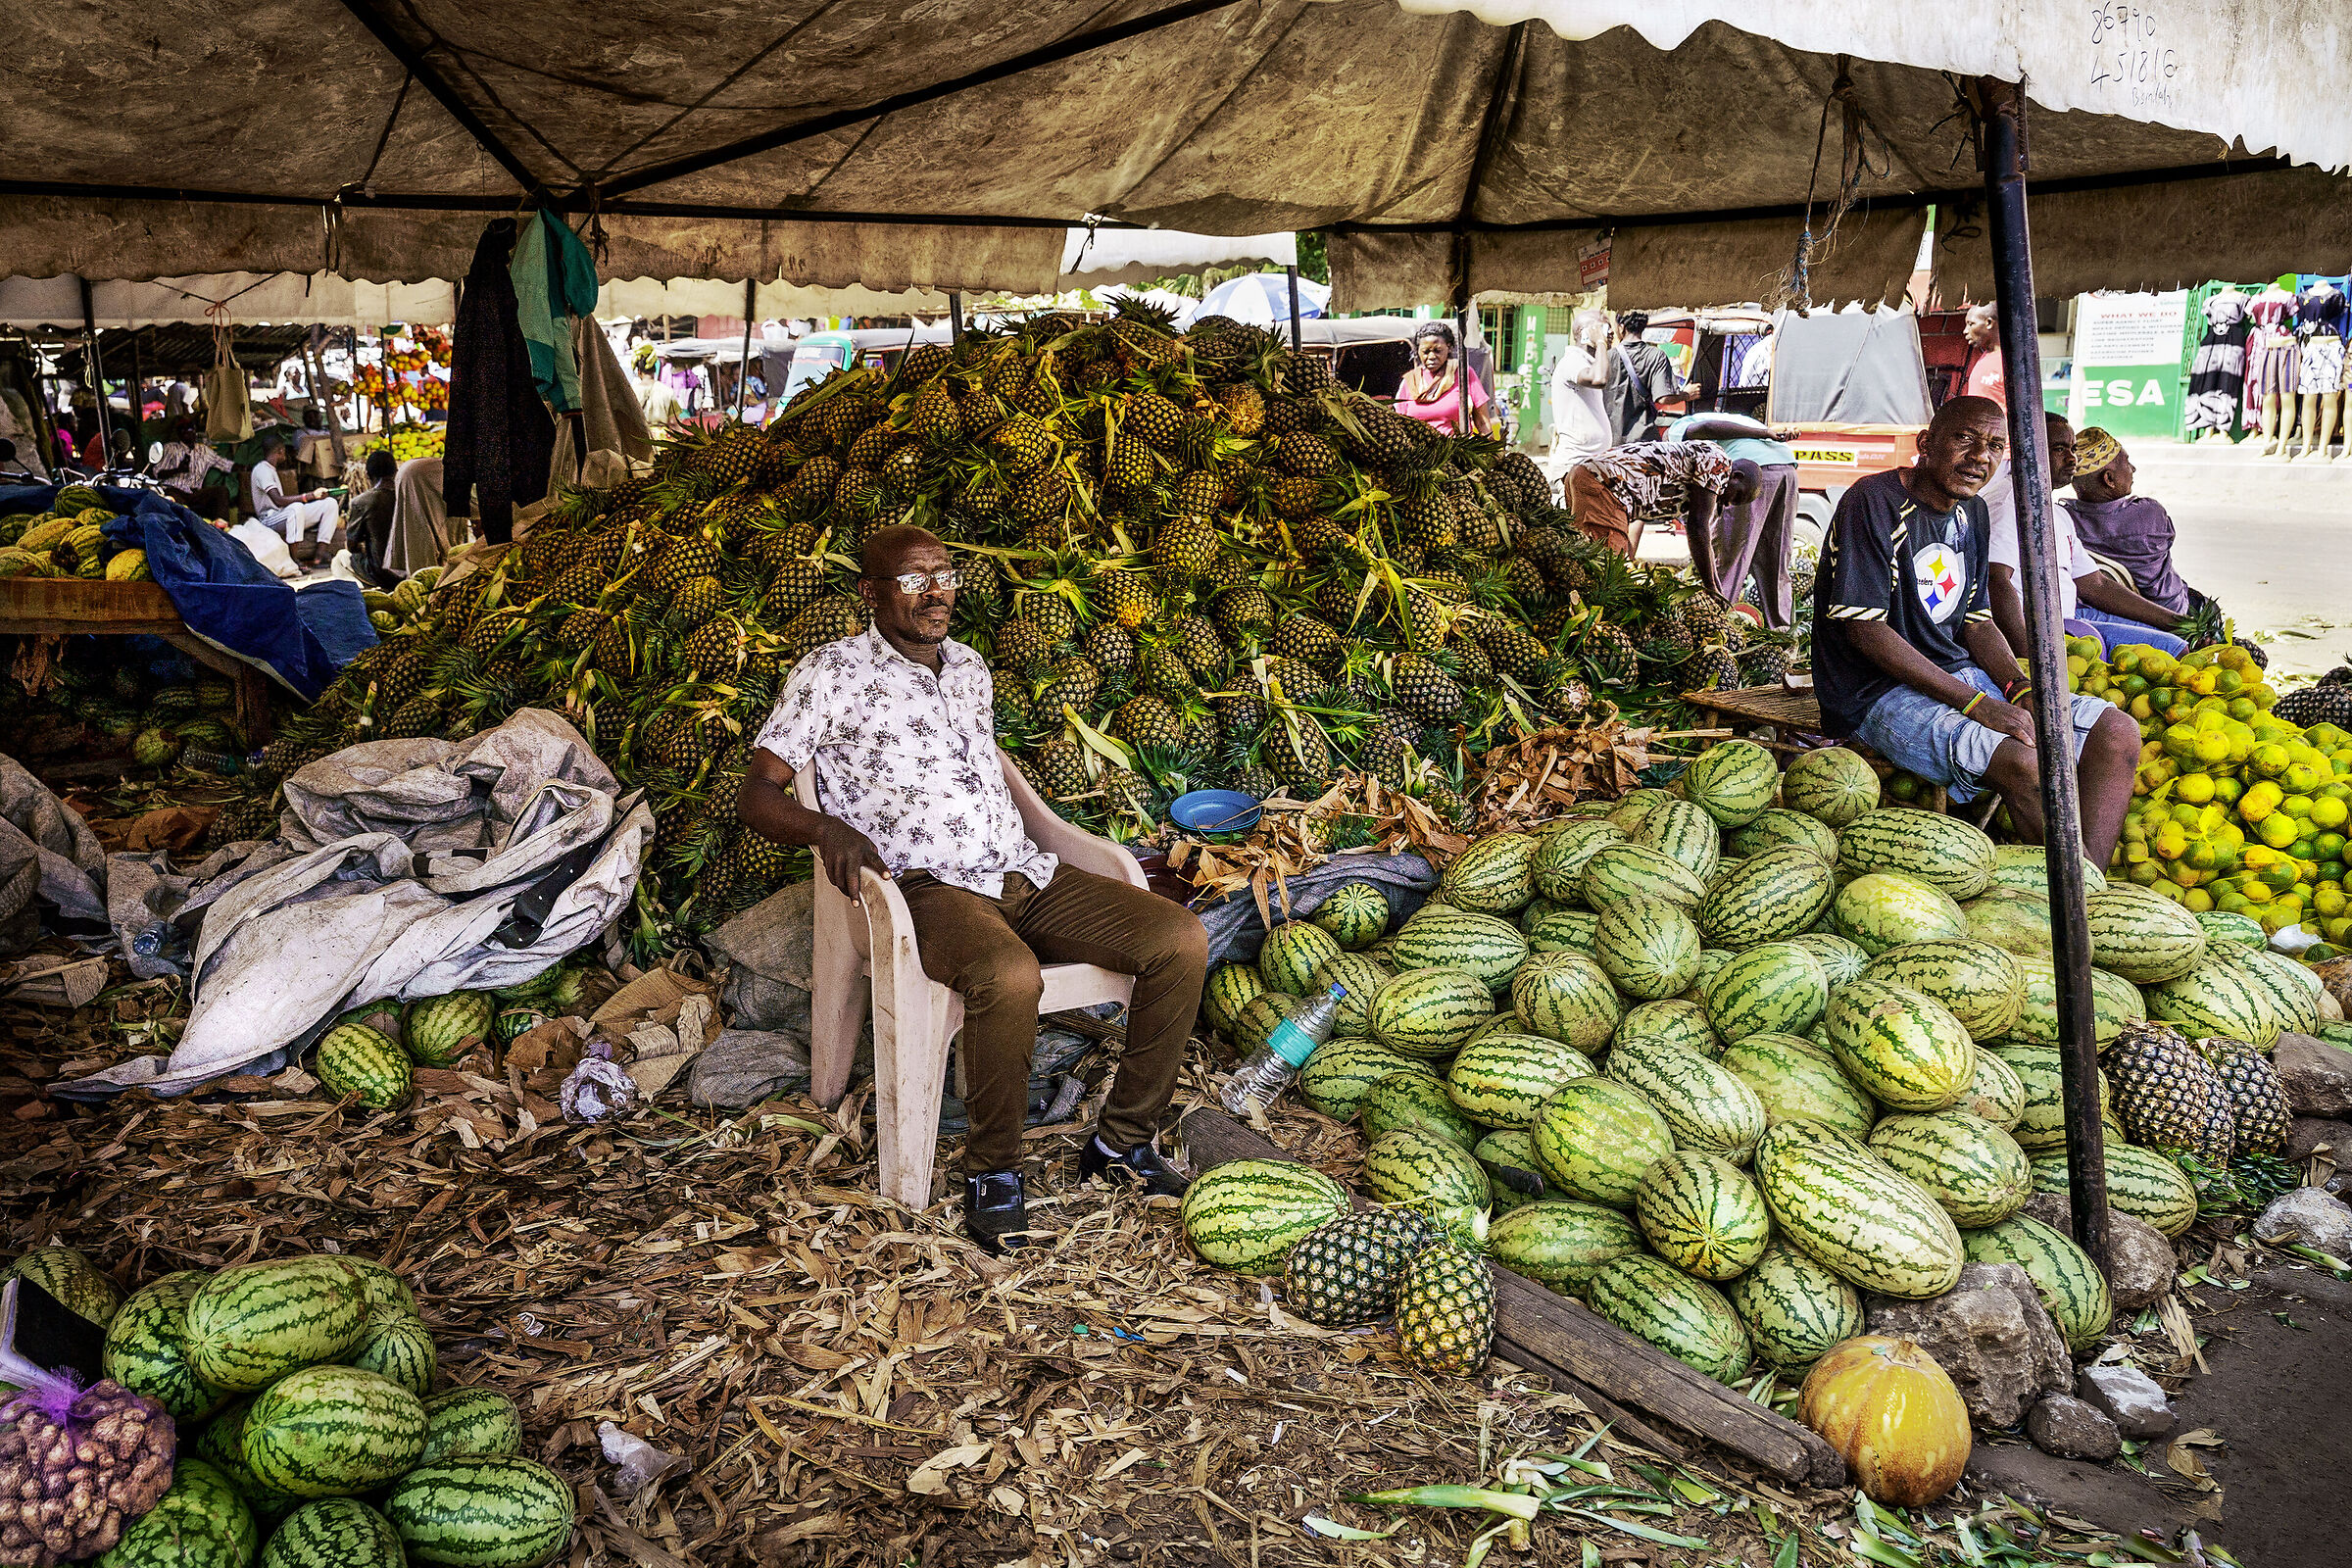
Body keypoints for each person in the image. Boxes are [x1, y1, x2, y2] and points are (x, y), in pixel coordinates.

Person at [736, 525, 1209, 1252]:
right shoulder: (828, 673)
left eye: (944, 574)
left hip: (1021, 870)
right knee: (1006, 975)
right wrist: (824, 831)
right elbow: (757, 794)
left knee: (1180, 938)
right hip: (922, 887)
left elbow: (989, 782)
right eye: (912, 579)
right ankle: (994, 1172)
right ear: (869, 593)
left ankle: (1122, 1142)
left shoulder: (969, 668)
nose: (934, 592)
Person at [1810, 396, 2139, 863]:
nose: (1980, 457)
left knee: (2116, 731)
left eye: (1994, 446)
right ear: (1926, 443)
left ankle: (2094, 893)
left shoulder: (1974, 513)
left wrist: (2017, 685)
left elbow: (1976, 620)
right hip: (1873, 690)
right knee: (2022, 762)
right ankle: (2079, 901)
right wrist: (1976, 704)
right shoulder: (1874, 501)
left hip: (1955, 676)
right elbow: (1865, 632)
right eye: (1965, 439)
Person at [1984, 415, 2187, 659]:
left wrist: (2175, 622)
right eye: (2059, 449)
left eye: (2072, 449)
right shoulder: (2010, 504)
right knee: (2166, 653)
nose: (2071, 459)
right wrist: (2029, 659)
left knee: (2176, 645)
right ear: (2026, 450)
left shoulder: (2057, 512)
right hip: (2043, 631)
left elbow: (2095, 585)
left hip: (2070, 619)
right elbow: (1996, 580)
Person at [1665, 411, 1802, 628]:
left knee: (1726, 559)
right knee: (1775, 560)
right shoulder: (1735, 417)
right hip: (1786, 468)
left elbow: (1706, 429)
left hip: (1752, 471)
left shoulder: (1676, 432)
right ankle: (1780, 631)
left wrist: (1765, 432)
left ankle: (1714, 626)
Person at [2062, 427, 2201, 621]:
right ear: (2109, 479)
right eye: (2126, 462)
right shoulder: (2149, 513)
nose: (2132, 468)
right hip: (2171, 609)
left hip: (2114, 611)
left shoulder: (2066, 519)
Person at [1564, 439, 1742, 560]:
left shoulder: (1694, 469)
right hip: (1604, 485)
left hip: (1585, 475)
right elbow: (1698, 526)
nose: (1728, 504)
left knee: (1586, 560)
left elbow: (1639, 510)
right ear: (1736, 476)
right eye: (1737, 497)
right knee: (1606, 574)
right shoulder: (1720, 463)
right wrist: (1711, 585)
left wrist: (1628, 554)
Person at [1541, 312, 1611, 496]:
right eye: (1604, 328)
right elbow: (1599, 379)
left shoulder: (1589, 362)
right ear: (1585, 333)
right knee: (1578, 524)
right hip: (1575, 464)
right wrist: (1601, 342)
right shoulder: (1573, 361)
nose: (1610, 333)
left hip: (1590, 465)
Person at [1601, 312, 1693, 445]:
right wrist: (1686, 395)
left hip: (1609, 440)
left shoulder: (1606, 357)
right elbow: (1664, 397)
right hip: (1642, 441)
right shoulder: (1656, 356)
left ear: (1621, 327)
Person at [249, 435, 340, 565]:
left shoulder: (270, 469)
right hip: (268, 519)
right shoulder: (262, 470)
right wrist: (310, 496)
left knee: (330, 504)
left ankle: (320, 555)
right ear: (280, 451)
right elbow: (278, 500)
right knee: (295, 508)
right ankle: (293, 559)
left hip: (283, 515)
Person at [1393, 322, 1494, 435]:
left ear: (1449, 347)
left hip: (1455, 449)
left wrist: (1492, 449)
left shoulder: (1463, 375)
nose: (1431, 357)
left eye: (1437, 350)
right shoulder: (1410, 381)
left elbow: (1482, 422)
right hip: (1418, 451)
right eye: (1425, 352)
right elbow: (1399, 425)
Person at [342, 450, 402, 589]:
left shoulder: (362, 502)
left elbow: (351, 546)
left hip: (382, 574)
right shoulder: (408, 495)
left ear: (368, 475)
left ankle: (363, 595)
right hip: (412, 567)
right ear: (396, 471)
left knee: (340, 559)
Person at [155, 418, 235, 516]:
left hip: (195, 493)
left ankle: (221, 526)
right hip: (175, 490)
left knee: (221, 491)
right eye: (182, 430)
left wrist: (245, 468)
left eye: (189, 429)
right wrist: (178, 470)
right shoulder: (171, 448)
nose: (186, 432)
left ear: (195, 431)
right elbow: (158, 473)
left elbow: (224, 464)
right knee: (174, 500)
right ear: (178, 434)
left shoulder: (204, 450)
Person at [1961, 304, 2006, 407]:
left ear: (1989, 323)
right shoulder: (1985, 357)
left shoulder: (2008, 362)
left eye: (1971, 324)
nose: (1965, 331)